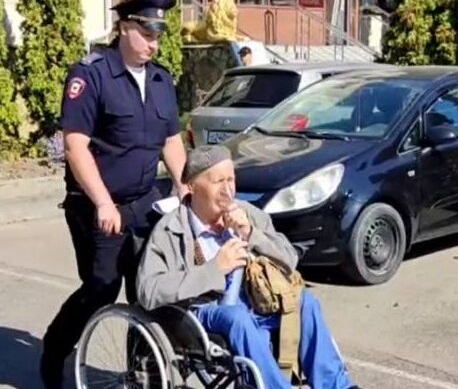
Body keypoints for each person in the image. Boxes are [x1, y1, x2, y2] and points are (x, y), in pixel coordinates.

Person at [39, 0, 188, 388]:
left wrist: (183, 183)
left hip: (145, 202)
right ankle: (55, 350)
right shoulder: (91, 74)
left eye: (158, 35)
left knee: (148, 289)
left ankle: (144, 375)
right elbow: (75, 146)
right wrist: (103, 202)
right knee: (101, 289)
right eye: (147, 33)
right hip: (98, 206)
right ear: (124, 27)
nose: (154, 43)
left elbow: (170, 140)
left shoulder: (161, 79)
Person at [136, 145, 360, 389]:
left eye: (231, 179)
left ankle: (337, 385)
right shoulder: (170, 229)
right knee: (237, 317)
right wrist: (215, 269)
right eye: (218, 181)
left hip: (259, 298)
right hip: (206, 310)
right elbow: (149, 291)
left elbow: (289, 258)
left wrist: (251, 233)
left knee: (306, 301)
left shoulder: (249, 214)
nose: (228, 190)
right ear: (192, 186)